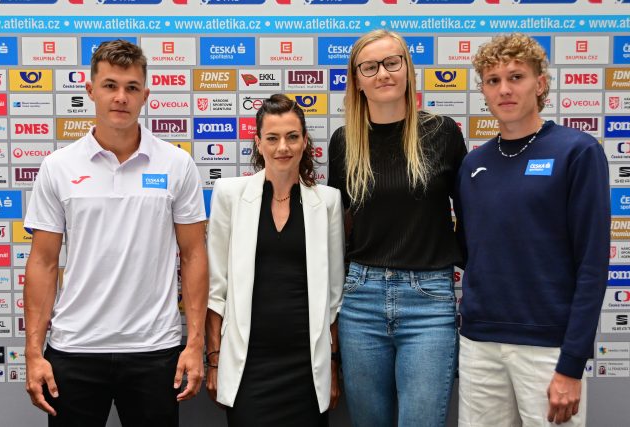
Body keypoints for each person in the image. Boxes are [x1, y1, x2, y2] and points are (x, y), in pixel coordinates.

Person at [23, 39, 208, 427]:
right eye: (110, 85)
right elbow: (42, 261)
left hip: (155, 350)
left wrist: (194, 343)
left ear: (146, 96)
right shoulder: (58, 166)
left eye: (131, 87)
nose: (120, 97)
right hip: (75, 349)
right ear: (90, 90)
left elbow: (193, 255)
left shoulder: (177, 164)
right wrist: (33, 353)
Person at [455, 33, 610, 426]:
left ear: (540, 83)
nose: (504, 89)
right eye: (492, 80)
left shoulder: (577, 151)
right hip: (480, 345)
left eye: (516, 77)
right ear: (484, 92)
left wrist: (572, 364)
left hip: (549, 349)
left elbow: (592, 266)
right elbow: (470, 250)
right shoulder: (474, 165)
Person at [328, 30, 467, 427]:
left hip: (429, 300)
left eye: (393, 62)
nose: (382, 74)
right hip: (360, 300)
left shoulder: (442, 132)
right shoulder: (343, 143)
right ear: (356, 79)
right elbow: (340, 226)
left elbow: (470, 216)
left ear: (407, 68)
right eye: (369, 67)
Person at [205, 94, 345, 426]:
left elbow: (334, 298)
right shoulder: (229, 195)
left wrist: (334, 366)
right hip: (249, 366)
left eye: (292, 136)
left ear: (305, 140)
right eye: (273, 137)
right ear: (258, 142)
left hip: (308, 368)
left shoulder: (327, 201)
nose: (283, 146)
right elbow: (216, 290)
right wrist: (213, 361)